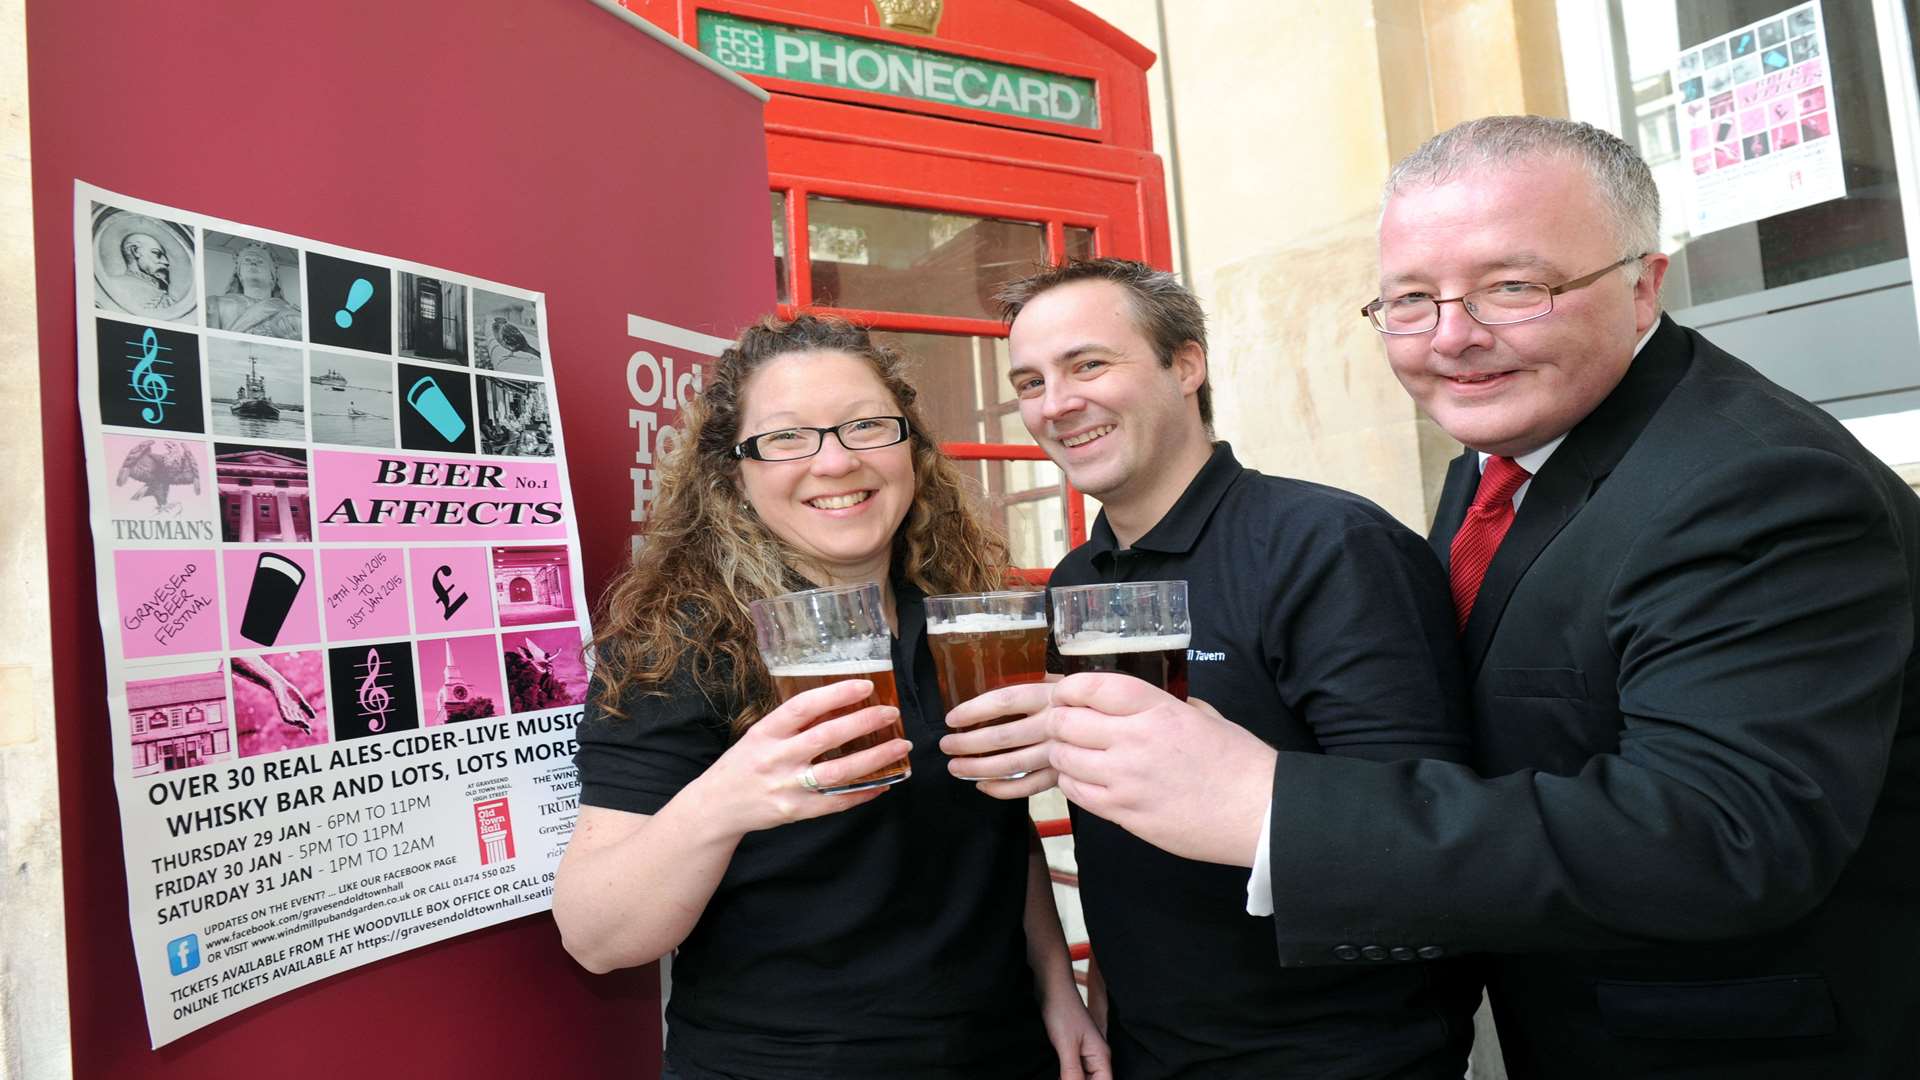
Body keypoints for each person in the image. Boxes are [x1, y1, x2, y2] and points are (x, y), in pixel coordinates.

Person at [1019, 118, 1920, 1078]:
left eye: (1512, 288)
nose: (1452, 336)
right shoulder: (1499, 456)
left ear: (1644, 281)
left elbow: (1724, 838)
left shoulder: (1757, 480)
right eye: (1411, 299)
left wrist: (1270, 807)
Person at [941, 258, 1479, 1078]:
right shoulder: (1076, 580)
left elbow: (1426, 836)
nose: (1055, 404)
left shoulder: (1327, 545)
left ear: (1185, 364)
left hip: (1335, 1052)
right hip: (1143, 1048)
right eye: (1029, 381)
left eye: (1089, 364)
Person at [554, 315, 1106, 1080]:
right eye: (786, 438)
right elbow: (597, 935)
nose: (836, 461)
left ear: (911, 446)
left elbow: (999, 828)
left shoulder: (959, 618)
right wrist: (729, 798)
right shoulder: (676, 649)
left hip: (1001, 1052)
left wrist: (1057, 987)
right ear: (733, 473)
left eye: (866, 426)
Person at [207, 240, 303, 339]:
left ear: (272, 276)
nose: (253, 264)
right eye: (247, 260)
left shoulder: (290, 312)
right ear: (239, 274)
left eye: (260, 261)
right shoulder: (215, 304)